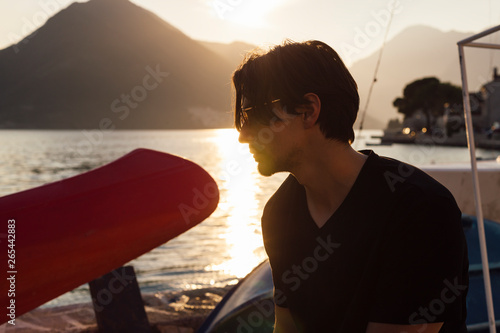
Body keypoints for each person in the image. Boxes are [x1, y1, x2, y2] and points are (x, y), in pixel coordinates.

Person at [233, 40, 468, 332]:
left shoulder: (419, 209)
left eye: (251, 114)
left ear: (308, 111)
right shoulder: (280, 213)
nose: (243, 135)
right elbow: (287, 326)